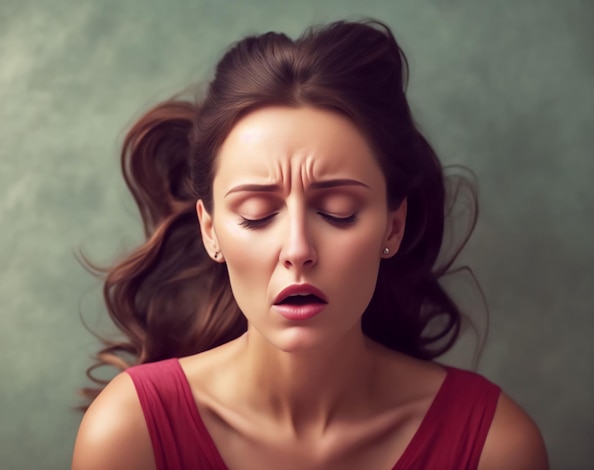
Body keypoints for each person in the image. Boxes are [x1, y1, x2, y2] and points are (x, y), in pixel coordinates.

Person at [72, 19, 549, 470]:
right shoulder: (128, 433)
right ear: (210, 230)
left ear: (392, 226)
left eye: (338, 210)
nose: (297, 249)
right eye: (257, 214)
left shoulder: (494, 446)